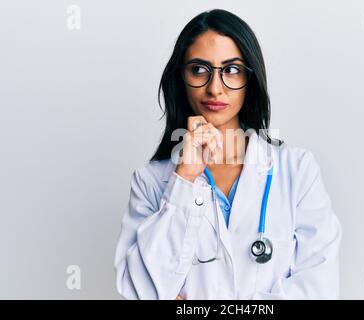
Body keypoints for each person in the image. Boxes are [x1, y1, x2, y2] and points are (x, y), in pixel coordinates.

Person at [114, 9, 342, 300]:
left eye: (231, 70)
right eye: (199, 69)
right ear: (181, 78)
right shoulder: (151, 182)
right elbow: (137, 291)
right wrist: (183, 181)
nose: (215, 88)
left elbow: (318, 289)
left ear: (250, 79)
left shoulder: (297, 172)